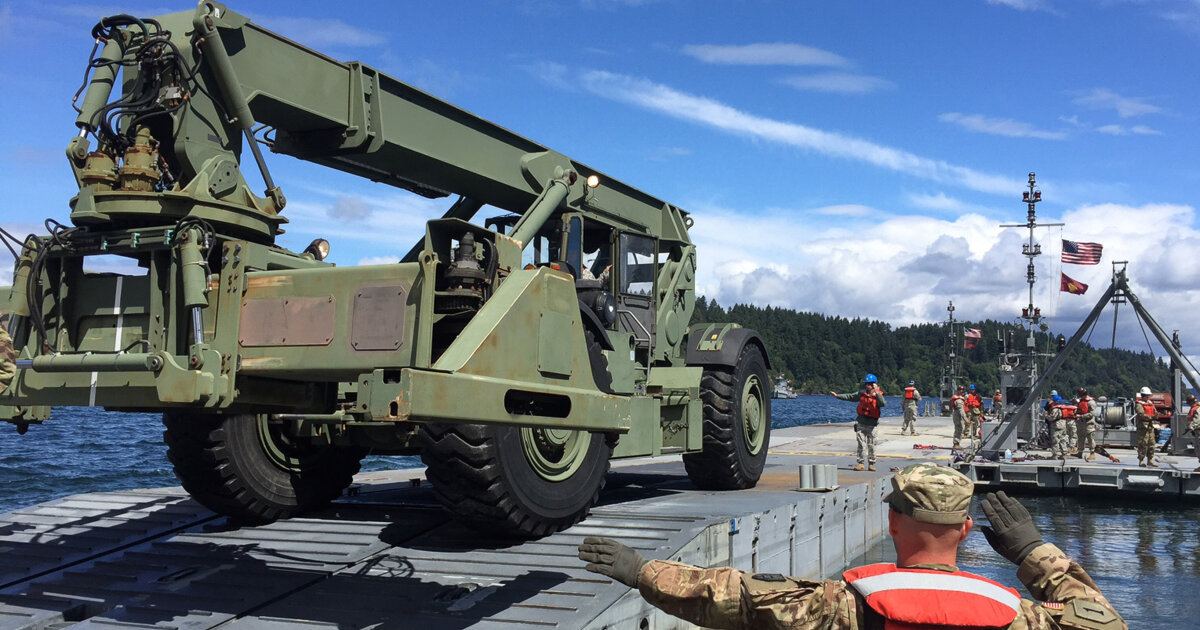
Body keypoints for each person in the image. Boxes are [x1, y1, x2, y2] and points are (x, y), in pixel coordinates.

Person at [578, 463, 1126, 629]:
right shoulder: (1020, 617)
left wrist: (639, 569)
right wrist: (1033, 552)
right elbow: (1103, 624)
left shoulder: (840, 606)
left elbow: (731, 596)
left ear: (891, 521)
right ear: (965, 531)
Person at [830, 374, 886, 471]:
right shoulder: (861, 394)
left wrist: (877, 392)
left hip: (872, 424)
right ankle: (861, 463)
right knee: (861, 444)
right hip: (861, 423)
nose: (867, 386)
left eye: (869, 384)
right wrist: (837, 396)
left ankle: (871, 463)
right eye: (866, 384)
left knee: (872, 445)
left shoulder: (878, 396)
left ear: (874, 385)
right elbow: (850, 396)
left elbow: (883, 403)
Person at [1134, 387, 1157, 468]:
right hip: (1142, 427)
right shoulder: (1139, 405)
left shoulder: (1150, 403)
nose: (1148, 397)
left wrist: (1156, 415)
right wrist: (1151, 417)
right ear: (1143, 396)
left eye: (1148, 396)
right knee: (1143, 444)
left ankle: (1150, 460)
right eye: (1147, 396)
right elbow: (1141, 414)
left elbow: (1155, 411)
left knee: (1152, 444)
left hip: (1150, 427)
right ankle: (1141, 460)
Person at [1074, 388, 1098, 461]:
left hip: (1088, 423)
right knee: (1080, 438)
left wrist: (1081, 416)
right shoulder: (1081, 401)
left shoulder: (1091, 402)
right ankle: (1080, 452)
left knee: (1090, 438)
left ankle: (1092, 453)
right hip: (1081, 423)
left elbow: (1092, 413)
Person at [1045, 395, 1069, 460]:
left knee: (1055, 440)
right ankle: (1064, 454)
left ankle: (1054, 455)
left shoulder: (1055, 409)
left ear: (1055, 402)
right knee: (1063, 440)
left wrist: (1046, 416)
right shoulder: (1063, 408)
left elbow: (1052, 418)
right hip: (1063, 425)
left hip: (1056, 426)